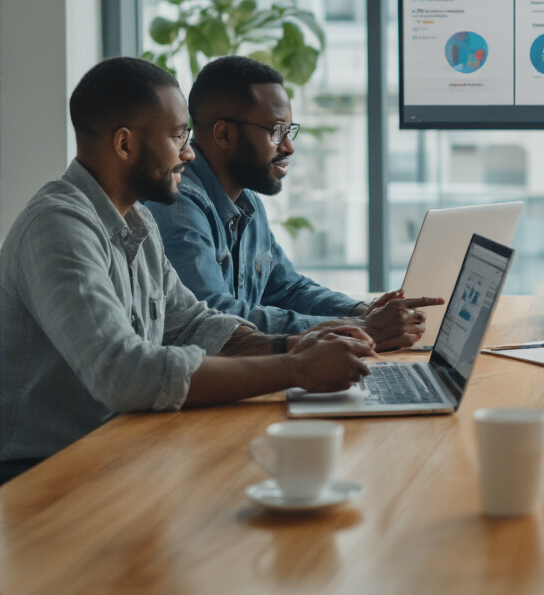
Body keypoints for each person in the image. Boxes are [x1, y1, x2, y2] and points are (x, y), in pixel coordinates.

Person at [0, 58, 404, 484]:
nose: (190, 153)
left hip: (122, 451)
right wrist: (296, 367)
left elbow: (194, 324)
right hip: (43, 475)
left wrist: (295, 343)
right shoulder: (57, 227)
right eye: (178, 136)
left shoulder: (138, 220)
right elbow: (123, 373)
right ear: (124, 144)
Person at [145, 56, 434, 350]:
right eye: (276, 132)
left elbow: (288, 288)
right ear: (224, 134)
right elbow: (216, 318)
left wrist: (361, 311)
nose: (288, 147)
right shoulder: (177, 204)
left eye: (289, 131)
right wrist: (358, 328)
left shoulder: (248, 204)